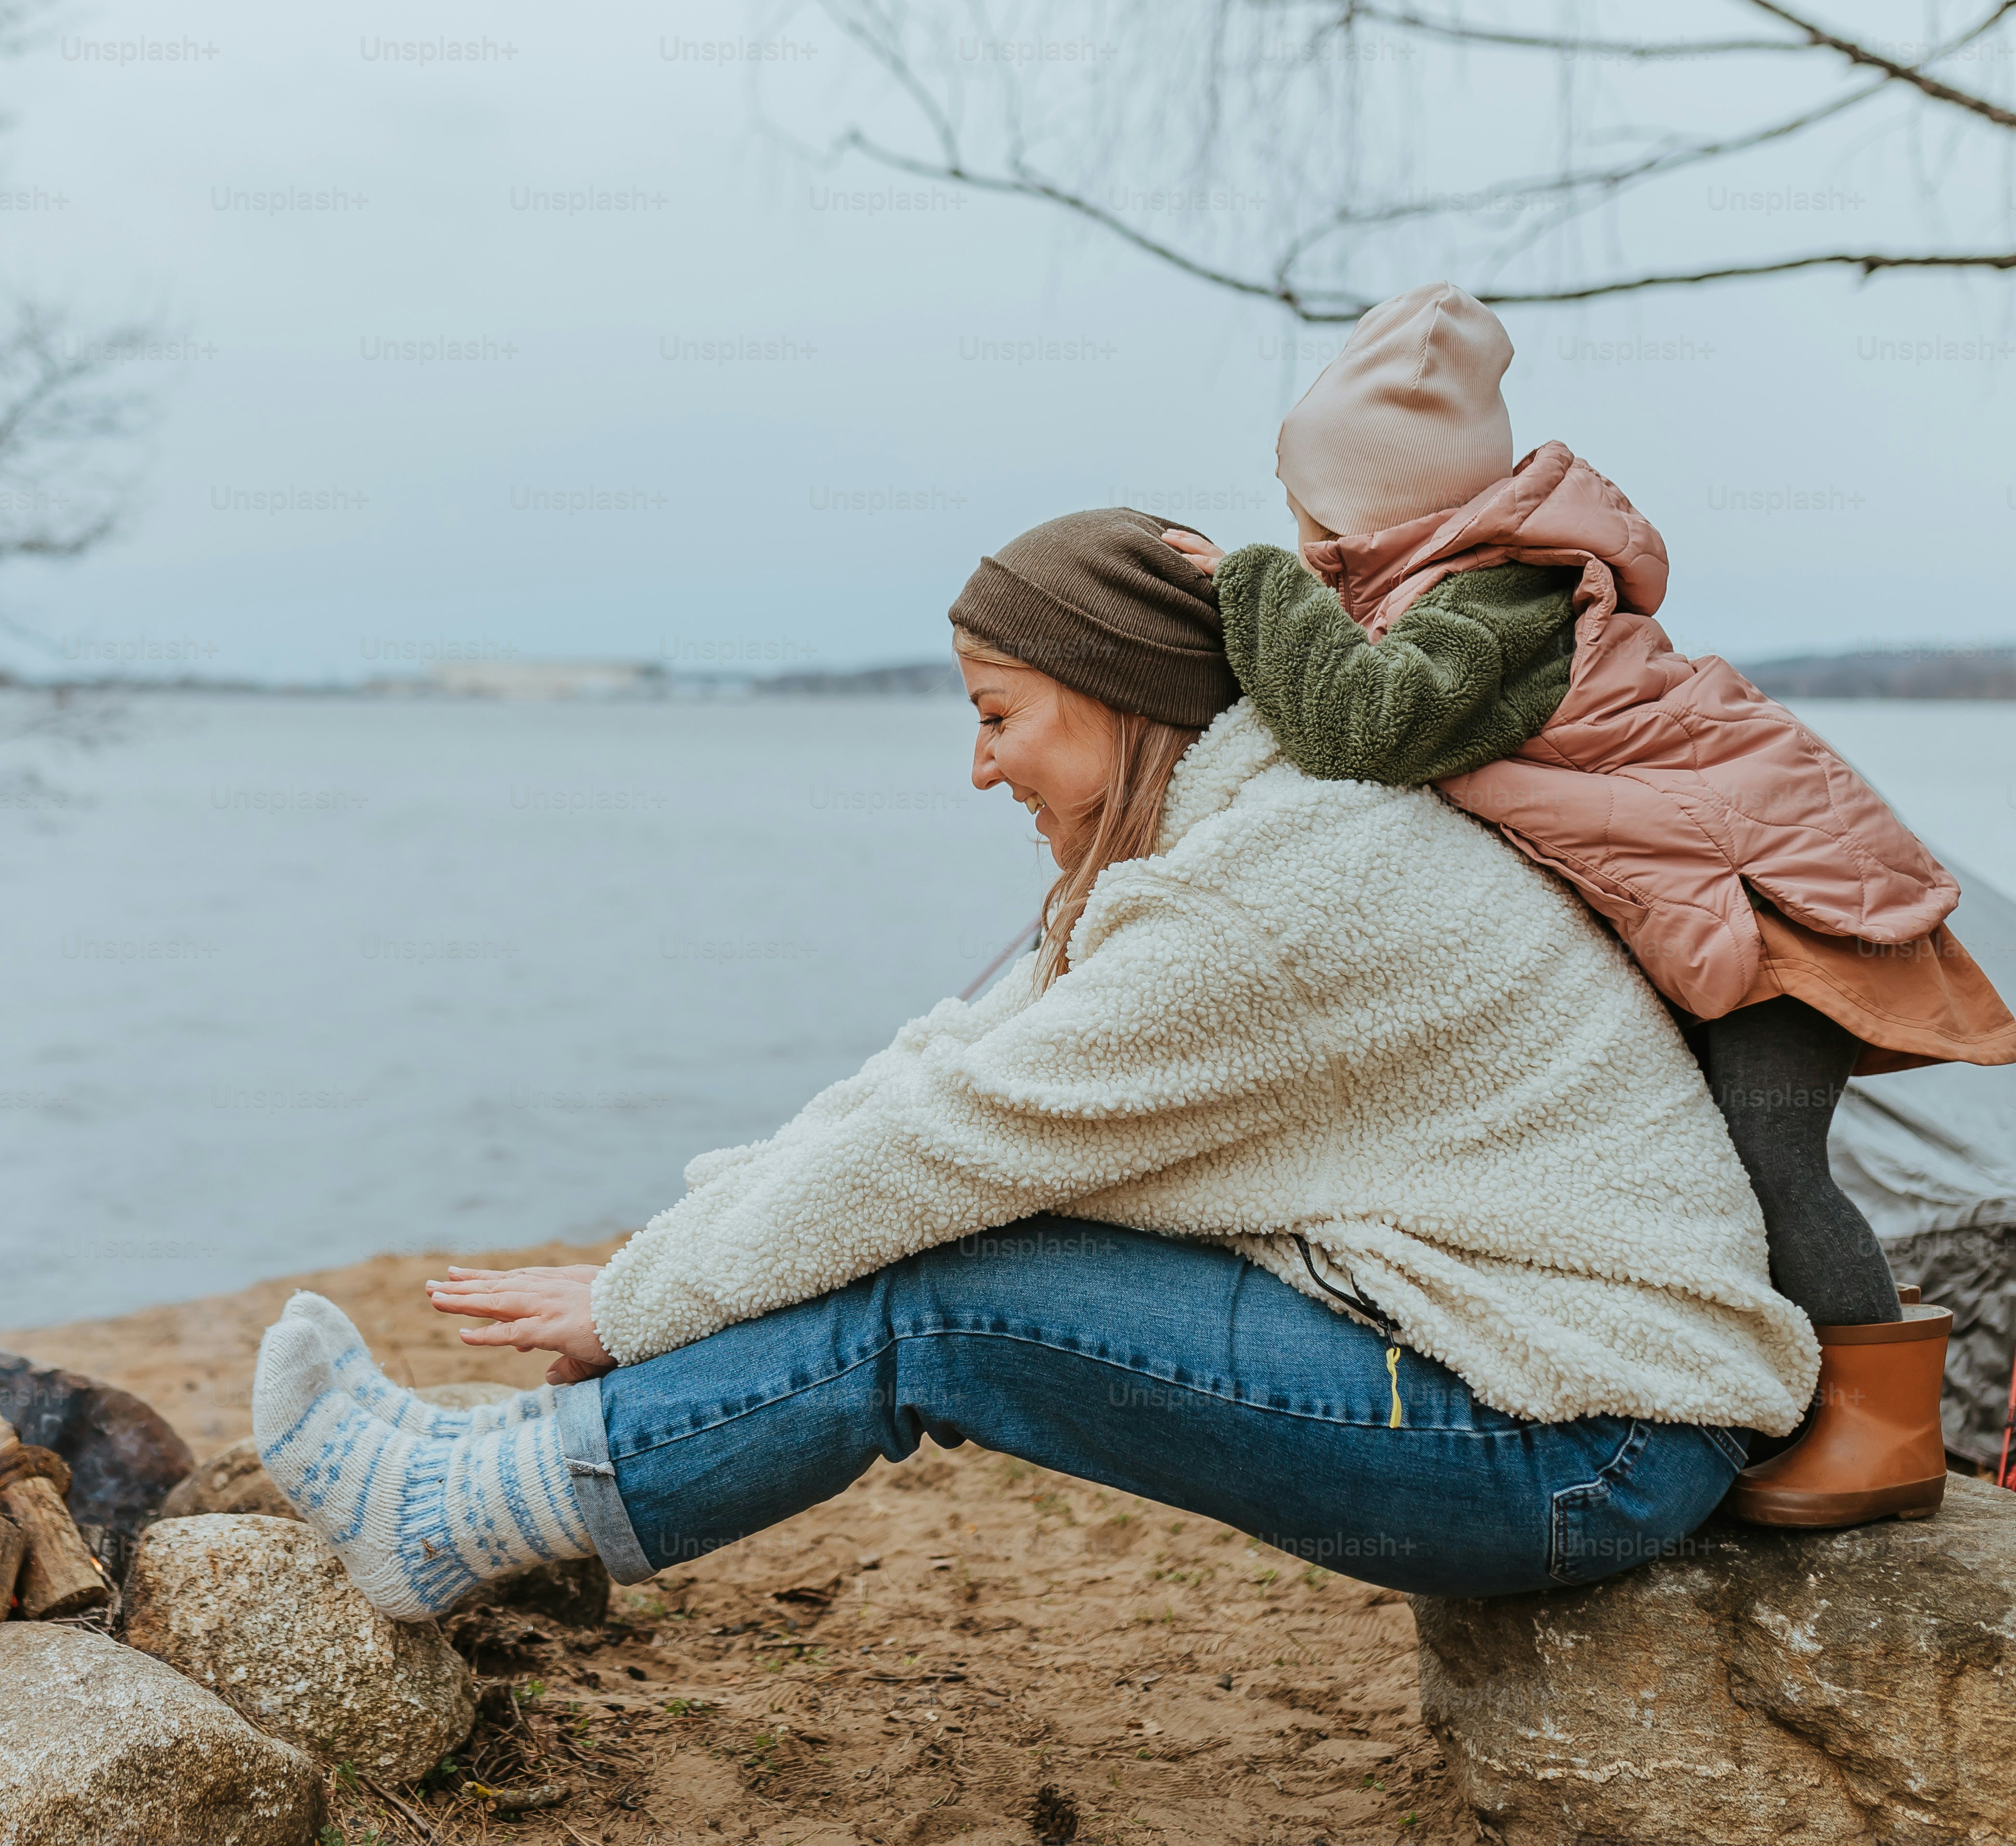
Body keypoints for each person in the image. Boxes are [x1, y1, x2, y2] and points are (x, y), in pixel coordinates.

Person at [251, 510, 1820, 1622]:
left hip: (1577, 1444)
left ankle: (464, 1511)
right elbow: (941, 1065)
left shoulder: (1274, 894)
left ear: (1122, 690)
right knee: (915, 1244)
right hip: (1506, 1372)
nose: (980, 761)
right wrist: (667, 1263)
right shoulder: (1235, 836)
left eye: (1001, 712)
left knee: (940, 1301)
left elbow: (948, 1142)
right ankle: (500, 1472)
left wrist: (637, 1300)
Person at [1153, 284, 2016, 1529]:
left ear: (1372, 509)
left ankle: (1878, 1437)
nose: (1295, 542)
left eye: (1304, 514)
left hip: (1780, 904)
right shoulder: (1453, 594)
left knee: (1770, 1158)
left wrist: (1250, 586)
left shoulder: (1495, 600)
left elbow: (1365, 726)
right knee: (1715, 1158)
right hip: (1729, 896)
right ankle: (1774, 1406)